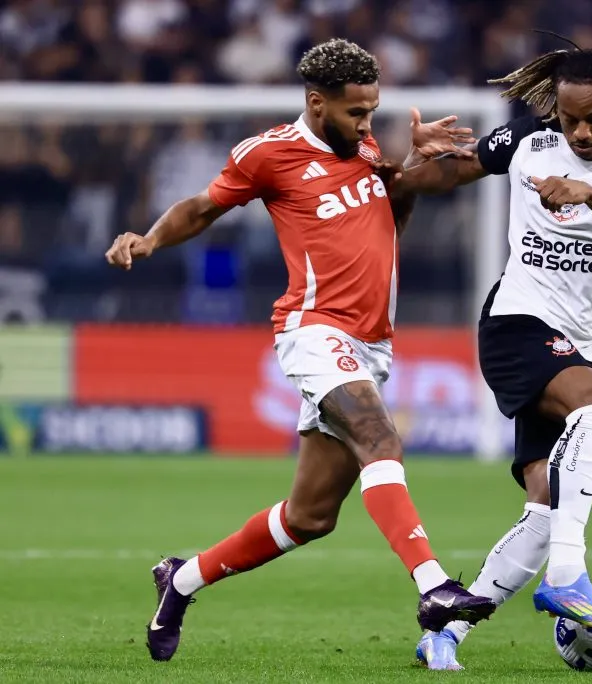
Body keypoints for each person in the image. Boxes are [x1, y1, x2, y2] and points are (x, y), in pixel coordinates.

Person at [104, 38, 497, 662]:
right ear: (316, 103)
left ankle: (179, 580)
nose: (368, 124)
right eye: (355, 112)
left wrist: (412, 176)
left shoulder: (365, 149)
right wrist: (149, 240)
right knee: (380, 436)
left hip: (370, 344)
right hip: (314, 330)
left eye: (372, 110)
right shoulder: (269, 155)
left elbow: (389, 223)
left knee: (310, 517)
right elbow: (204, 207)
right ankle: (434, 586)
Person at [396, 19, 592, 670]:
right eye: (570, 118)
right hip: (516, 325)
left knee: (545, 508)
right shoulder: (526, 142)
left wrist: (587, 192)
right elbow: (449, 176)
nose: (580, 132)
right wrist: (413, 166)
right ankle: (569, 578)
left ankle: (446, 628)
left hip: (577, 346)